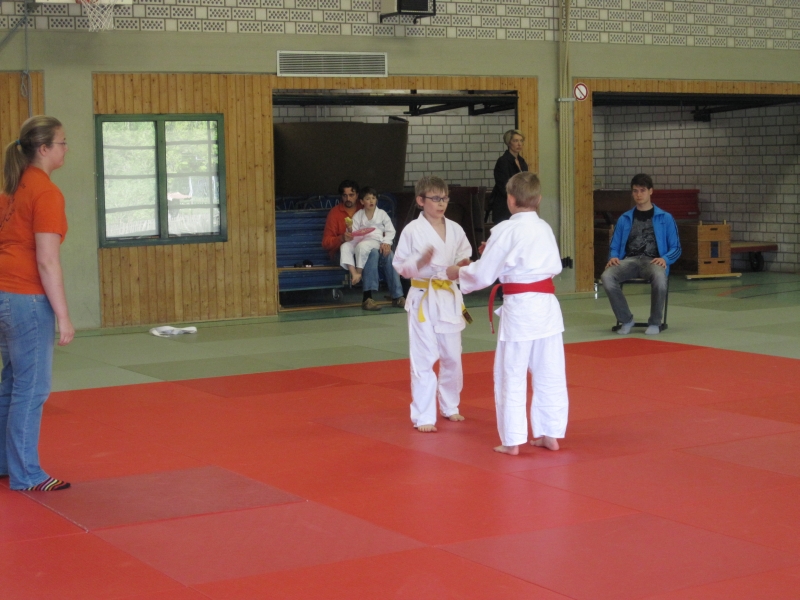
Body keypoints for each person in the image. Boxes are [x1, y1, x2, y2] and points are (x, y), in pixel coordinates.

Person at [448, 172, 568, 455]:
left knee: (511, 373)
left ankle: (513, 440)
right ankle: (550, 434)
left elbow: (483, 274)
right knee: (550, 372)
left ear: (510, 200)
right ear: (538, 199)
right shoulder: (544, 228)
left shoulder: (505, 229)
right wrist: (493, 253)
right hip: (547, 308)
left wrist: (458, 272)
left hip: (521, 310)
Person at [0, 116, 74, 491]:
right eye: (62, 142)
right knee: (31, 389)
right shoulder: (45, 192)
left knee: (13, 382)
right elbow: (46, 260)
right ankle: (26, 473)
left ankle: (6, 463)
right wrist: (63, 315)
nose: (65, 148)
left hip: (5, 293)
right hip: (26, 298)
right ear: (44, 149)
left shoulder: (13, 189)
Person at [393, 176, 472, 433]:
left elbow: (464, 255)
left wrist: (462, 265)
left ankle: (450, 405)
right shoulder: (412, 230)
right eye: (435, 198)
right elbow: (400, 266)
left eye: (445, 198)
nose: (441, 203)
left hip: (447, 295)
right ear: (420, 200)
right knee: (423, 357)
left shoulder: (456, 229)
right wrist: (418, 261)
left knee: (452, 356)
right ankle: (424, 415)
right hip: (422, 297)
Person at [600, 173, 681, 335]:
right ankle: (626, 319)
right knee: (606, 276)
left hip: (653, 261)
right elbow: (614, 246)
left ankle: (655, 322)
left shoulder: (666, 218)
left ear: (651, 191)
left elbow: (676, 248)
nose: (638, 194)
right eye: (635, 191)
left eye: (642, 190)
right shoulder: (624, 219)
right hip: (629, 261)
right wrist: (613, 257)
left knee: (660, 278)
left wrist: (665, 259)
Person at [322, 179, 404, 311]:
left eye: (351, 195)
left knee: (388, 254)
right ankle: (367, 297)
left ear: (358, 196)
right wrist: (341, 238)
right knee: (371, 253)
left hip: (370, 245)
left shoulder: (367, 208)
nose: (348, 198)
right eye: (345, 195)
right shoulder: (335, 213)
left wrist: (386, 243)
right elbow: (326, 243)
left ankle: (398, 296)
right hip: (344, 252)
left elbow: (381, 231)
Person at [488, 129, 528, 224]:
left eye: (521, 141)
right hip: (505, 205)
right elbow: (503, 186)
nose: (519, 144)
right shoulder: (503, 161)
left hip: (519, 203)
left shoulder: (522, 161)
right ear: (509, 142)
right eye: (515, 141)